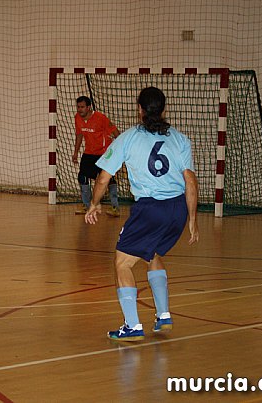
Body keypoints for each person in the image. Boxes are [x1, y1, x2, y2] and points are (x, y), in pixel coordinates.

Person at [85, 87, 199, 341]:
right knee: (152, 254)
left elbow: (103, 178)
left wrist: (94, 204)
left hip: (151, 208)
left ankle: (133, 326)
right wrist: (192, 219)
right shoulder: (180, 139)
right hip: (177, 208)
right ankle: (164, 315)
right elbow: (190, 181)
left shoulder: (129, 138)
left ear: (139, 109)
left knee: (122, 263)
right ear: (164, 109)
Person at [72, 96, 120, 216]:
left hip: (104, 153)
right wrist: (75, 152)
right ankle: (86, 205)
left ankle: (115, 207)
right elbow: (79, 135)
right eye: (78, 107)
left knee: (108, 179)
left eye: (82, 107)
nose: (79, 109)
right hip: (89, 152)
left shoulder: (101, 118)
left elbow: (116, 133)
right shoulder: (77, 118)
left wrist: (119, 152)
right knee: (82, 177)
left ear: (88, 107)